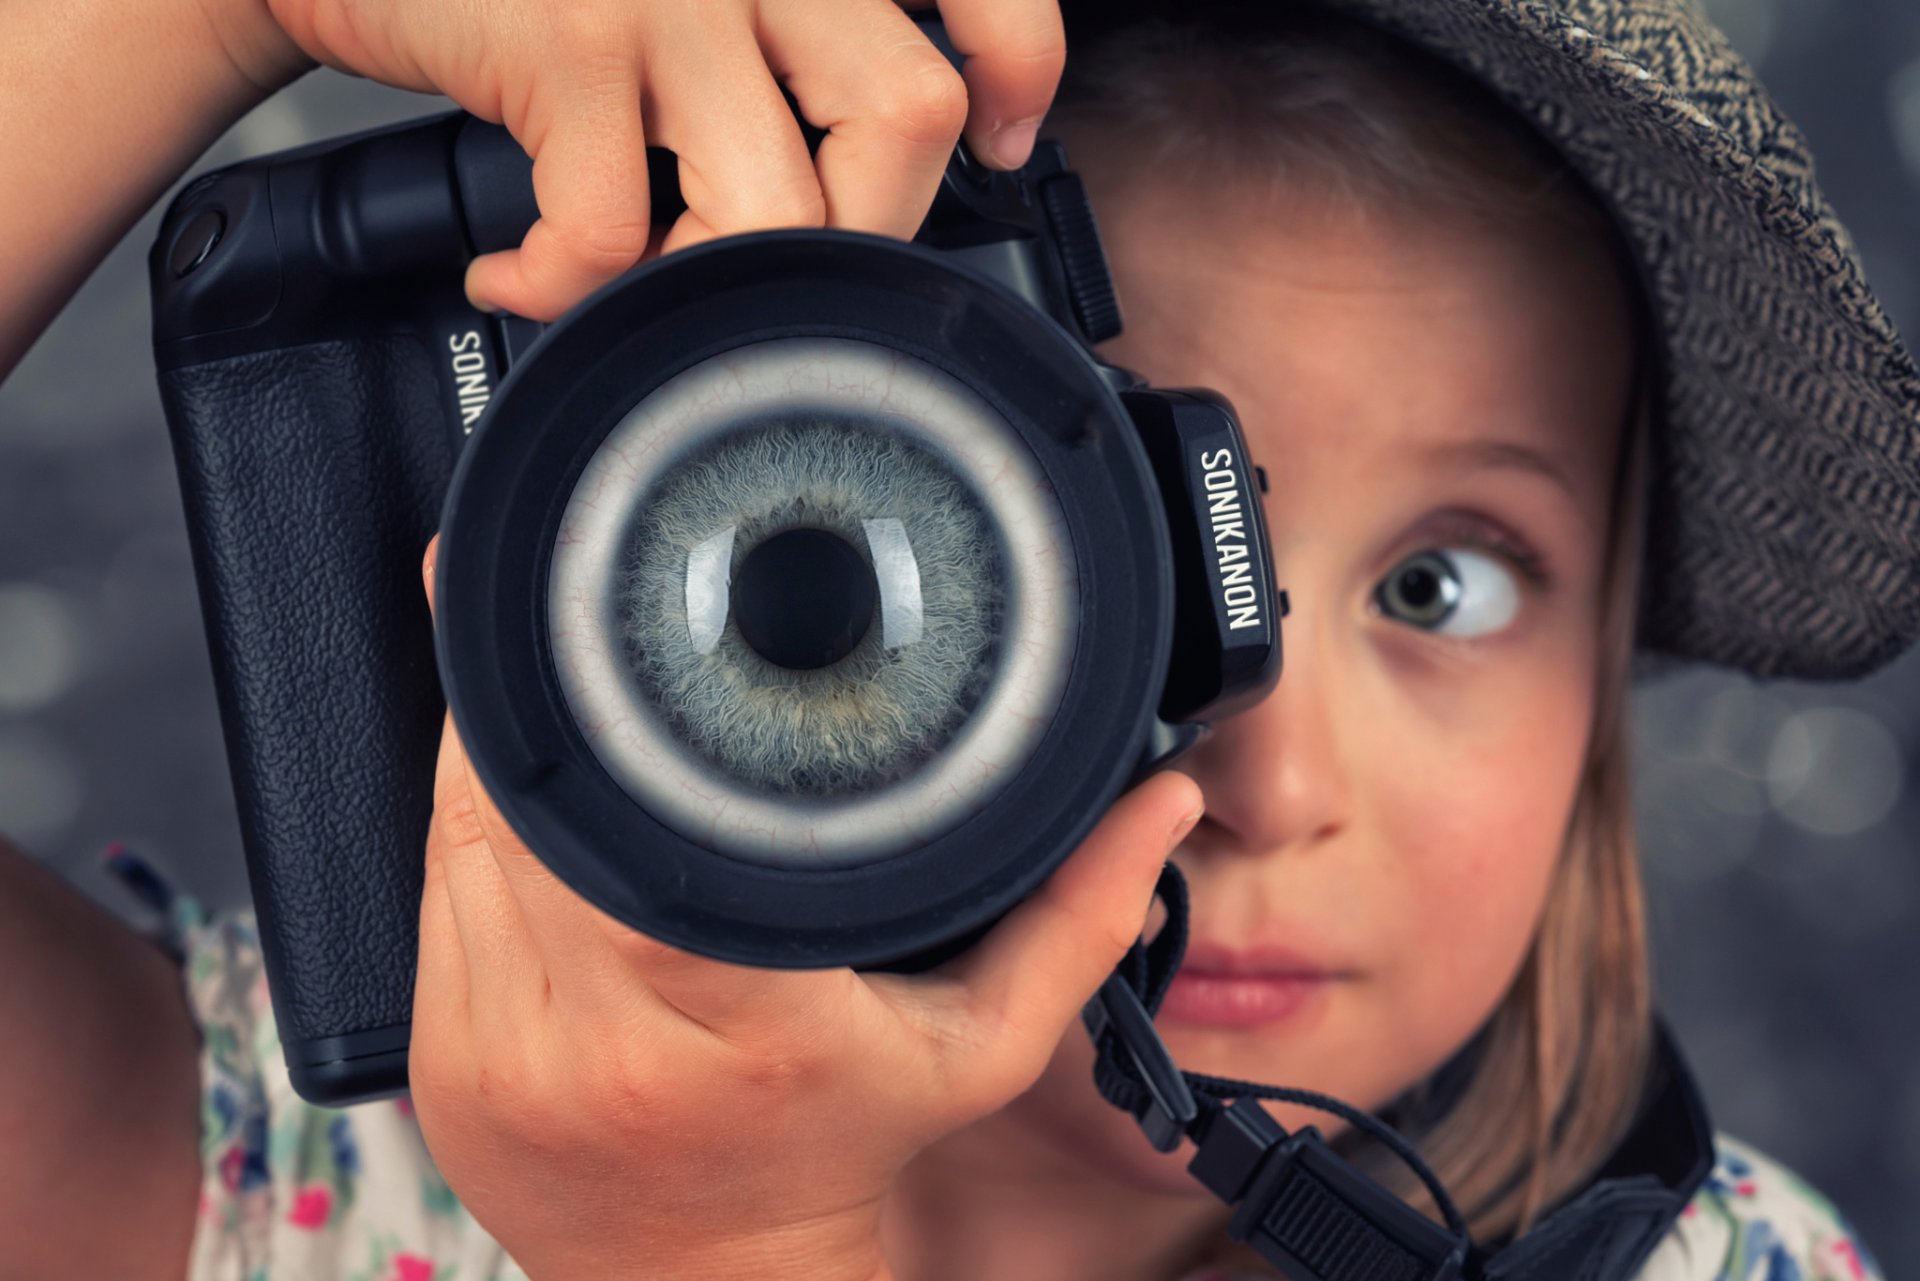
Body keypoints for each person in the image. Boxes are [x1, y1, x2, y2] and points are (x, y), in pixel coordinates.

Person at [0, 0, 1907, 1277]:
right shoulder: (320, 1162)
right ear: (668, 507)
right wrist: (191, 17)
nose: (1269, 776)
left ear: (1596, 709)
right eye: (1049, 544)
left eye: (1443, 585)